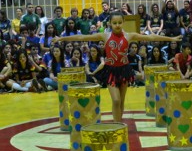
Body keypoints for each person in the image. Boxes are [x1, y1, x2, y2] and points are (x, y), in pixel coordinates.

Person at [53, 11, 182, 122]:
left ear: (123, 22)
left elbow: (151, 37)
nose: (117, 25)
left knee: (121, 100)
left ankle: (119, 124)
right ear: (109, 23)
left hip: (124, 70)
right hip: (110, 71)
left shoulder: (129, 35)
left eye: (119, 22)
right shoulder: (105, 36)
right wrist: (61, 39)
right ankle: (116, 124)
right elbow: (82, 37)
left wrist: (172, 39)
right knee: (115, 100)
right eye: (114, 23)